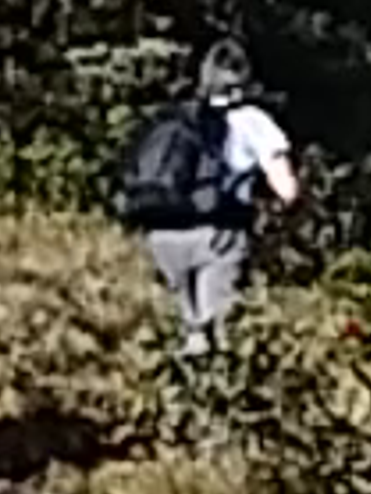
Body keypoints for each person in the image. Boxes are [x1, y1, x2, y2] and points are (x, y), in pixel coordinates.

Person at [114, 43, 299, 360]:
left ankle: (170, 399)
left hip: (162, 236)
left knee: (177, 334)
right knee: (221, 337)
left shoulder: (179, 117)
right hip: (218, 237)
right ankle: (217, 397)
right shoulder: (252, 120)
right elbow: (286, 188)